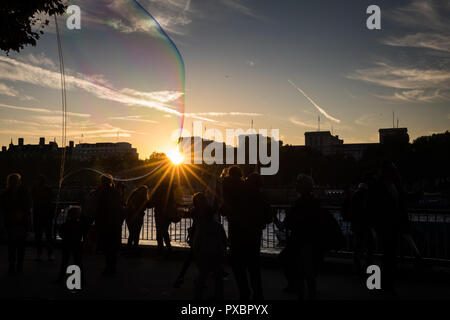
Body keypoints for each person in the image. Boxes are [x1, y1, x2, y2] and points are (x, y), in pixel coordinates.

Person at [282, 174, 323, 299]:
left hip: (299, 240)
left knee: (300, 271)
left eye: (298, 183)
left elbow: (288, 223)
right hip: (311, 240)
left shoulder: (298, 203)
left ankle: (299, 292)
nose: (296, 185)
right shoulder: (315, 203)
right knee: (309, 272)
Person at [370, 161, 408, 295]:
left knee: (388, 255)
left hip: (389, 225)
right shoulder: (384, 186)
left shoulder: (388, 185)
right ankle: (384, 284)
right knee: (388, 255)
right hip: (386, 225)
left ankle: (380, 283)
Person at [192, 192, 227, 300]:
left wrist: (196, 252)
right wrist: (223, 251)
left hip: (204, 253)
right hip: (216, 253)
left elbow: (197, 241)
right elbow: (224, 240)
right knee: (217, 277)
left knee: (202, 275)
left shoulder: (201, 227)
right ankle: (219, 295)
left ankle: (198, 295)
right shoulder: (218, 226)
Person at [91, 174, 124, 275]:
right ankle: (112, 268)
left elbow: (97, 206)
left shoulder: (102, 193)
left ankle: (108, 267)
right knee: (113, 248)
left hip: (105, 224)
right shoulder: (115, 193)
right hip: (115, 224)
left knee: (106, 247)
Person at [0, 173, 31, 274]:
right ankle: (19, 265)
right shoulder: (24, 192)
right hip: (21, 222)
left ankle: (12, 265)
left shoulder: (5, 193)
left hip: (11, 221)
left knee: (12, 245)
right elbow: (28, 206)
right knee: (20, 245)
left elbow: (4, 207)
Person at [57, 206, 86, 283]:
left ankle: (60, 279)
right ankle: (81, 280)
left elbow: (61, 234)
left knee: (64, 262)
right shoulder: (80, 224)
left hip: (66, 244)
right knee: (78, 262)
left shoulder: (65, 224)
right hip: (76, 245)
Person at [31, 175, 54, 261]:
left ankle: (39, 253)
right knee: (47, 235)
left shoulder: (34, 190)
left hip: (39, 214)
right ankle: (49, 253)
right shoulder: (47, 189)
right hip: (46, 214)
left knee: (39, 235)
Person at [125, 185, 149, 254]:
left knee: (132, 234)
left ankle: (129, 250)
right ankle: (133, 250)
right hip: (136, 217)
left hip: (131, 217)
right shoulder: (143, 198)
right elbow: (146, 206)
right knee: (135, 234)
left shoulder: (134, 195)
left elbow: (129, 205)